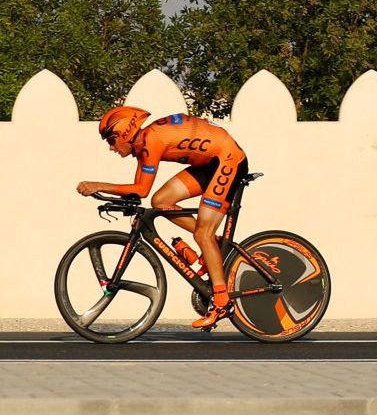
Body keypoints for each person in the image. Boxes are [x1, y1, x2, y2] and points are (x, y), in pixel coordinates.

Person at [76, 106, 249, 329]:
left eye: (111, 140)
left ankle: (222, 301)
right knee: (161, 202)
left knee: (201, 235)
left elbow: (140, 190)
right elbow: (141, 192)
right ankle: (212, 243)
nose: (111, 148)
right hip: (209, 164)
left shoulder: (152, 143)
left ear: (125, 133)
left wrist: (98, 185)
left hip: (228, 161)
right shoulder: (143, 146)